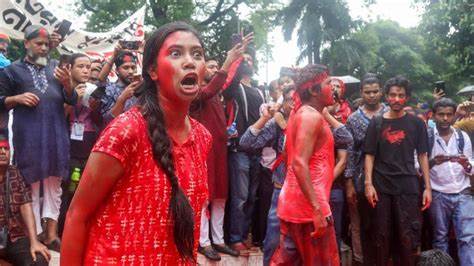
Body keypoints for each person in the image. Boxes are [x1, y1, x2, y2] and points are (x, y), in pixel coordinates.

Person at [61, 21, 212, 265]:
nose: (190, 61)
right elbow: (77, 215)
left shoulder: (203, 137)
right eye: (176, 53)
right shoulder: (126, 130)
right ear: (152, 71)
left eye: (197, 54)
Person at [0, 25, 75, 251]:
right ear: (26, 44)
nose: (44, 48)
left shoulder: (56, 68)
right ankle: (32, 235)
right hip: (28, 135)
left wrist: (67, 83)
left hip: (55, 134)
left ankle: (51, 235)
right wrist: (16, 98)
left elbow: (71, 99)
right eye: (38, 44)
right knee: (28, 182)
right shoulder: (12, 71)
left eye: (46, 44)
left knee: (54, 184)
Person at [271, 64, 340, 265]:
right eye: (328, 83)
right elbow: (299, 163)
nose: (333, 88)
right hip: (308, 210)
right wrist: (317, 209)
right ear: (313, 90)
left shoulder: (303, 114)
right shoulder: (310, 116)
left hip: (297, 205)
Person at [191, 36, 252, 260]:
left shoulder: (217, 91)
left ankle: (218, 240)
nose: (215, 70)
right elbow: (215, 85)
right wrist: (228, 60)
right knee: (204, 197)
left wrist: (235, 57)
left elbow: (227, 81)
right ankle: (203, 241)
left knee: (220, 196)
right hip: (201, 152)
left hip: (220, 151)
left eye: (217, 67)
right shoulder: (194, 90)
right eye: (211, 66)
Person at [364, 75, 432, 265]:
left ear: (407, 97)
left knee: (408, 235)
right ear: (386, 96)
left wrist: (427, 187)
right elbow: (369, 155)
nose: (396, 99)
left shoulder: (417, 123)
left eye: (400, 95)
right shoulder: (376, 123)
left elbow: (423, 155)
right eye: (392, 95)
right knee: (381, 236)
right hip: (381, 185)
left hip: (408, 185)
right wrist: (368, 184)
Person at [239, 86, 295, 265]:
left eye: (297, 99)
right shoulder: (275, 124)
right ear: (283, 102)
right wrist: (265, 118)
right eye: (289, 100)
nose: (293, 104)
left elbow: (345, 138)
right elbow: (246, 142)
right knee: (272, 242)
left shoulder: (313, 120)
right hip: (280, 191)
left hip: (307, 192)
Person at [224, 50, 265, 254]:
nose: (246, 62)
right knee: (239, 197)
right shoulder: (235, 87)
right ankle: (234, 237)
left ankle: (244, 234)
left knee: (251, 196)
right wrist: (236, 58)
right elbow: (227, 89)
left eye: (249, 59)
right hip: (239, 148)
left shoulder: (258, 92)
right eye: (243, 60)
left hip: (257, 149)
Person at [344, 73, 386, 264]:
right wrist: (349, 182)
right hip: (362, 179)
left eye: (375, 91)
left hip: (388, 176)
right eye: (367, 92)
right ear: (361, 92)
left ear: (381, 92)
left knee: (386, 222)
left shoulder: (389, 114)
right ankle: (363, 260)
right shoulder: (353, 119)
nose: (371, 95)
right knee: (364, 224)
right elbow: (350, 153)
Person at [428, 98, 474, 266]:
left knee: (467, 238)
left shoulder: (462, 137)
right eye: (441, 115)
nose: (445, 118)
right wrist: (434, 162)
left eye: (449, 114)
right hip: (438, 193)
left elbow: (471, 166)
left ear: (454, 115)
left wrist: (466, 164)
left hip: (463, 192)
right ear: (433, 116)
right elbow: (418, 167)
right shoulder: (427, 137)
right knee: (440, 238)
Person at [0, 131, 51, 265]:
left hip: (13, 237)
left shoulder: (14, 172)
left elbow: (26, 205)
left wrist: (34, 241)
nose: (3, 152)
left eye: (6, 148)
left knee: (40, 259)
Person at [99, 48, 142, 125]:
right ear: (117, 70)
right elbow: (106, 120)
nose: (131, 71)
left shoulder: (141, 89)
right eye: (126, 68)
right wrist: (122, 99)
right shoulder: (109, 90)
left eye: (133, 67)